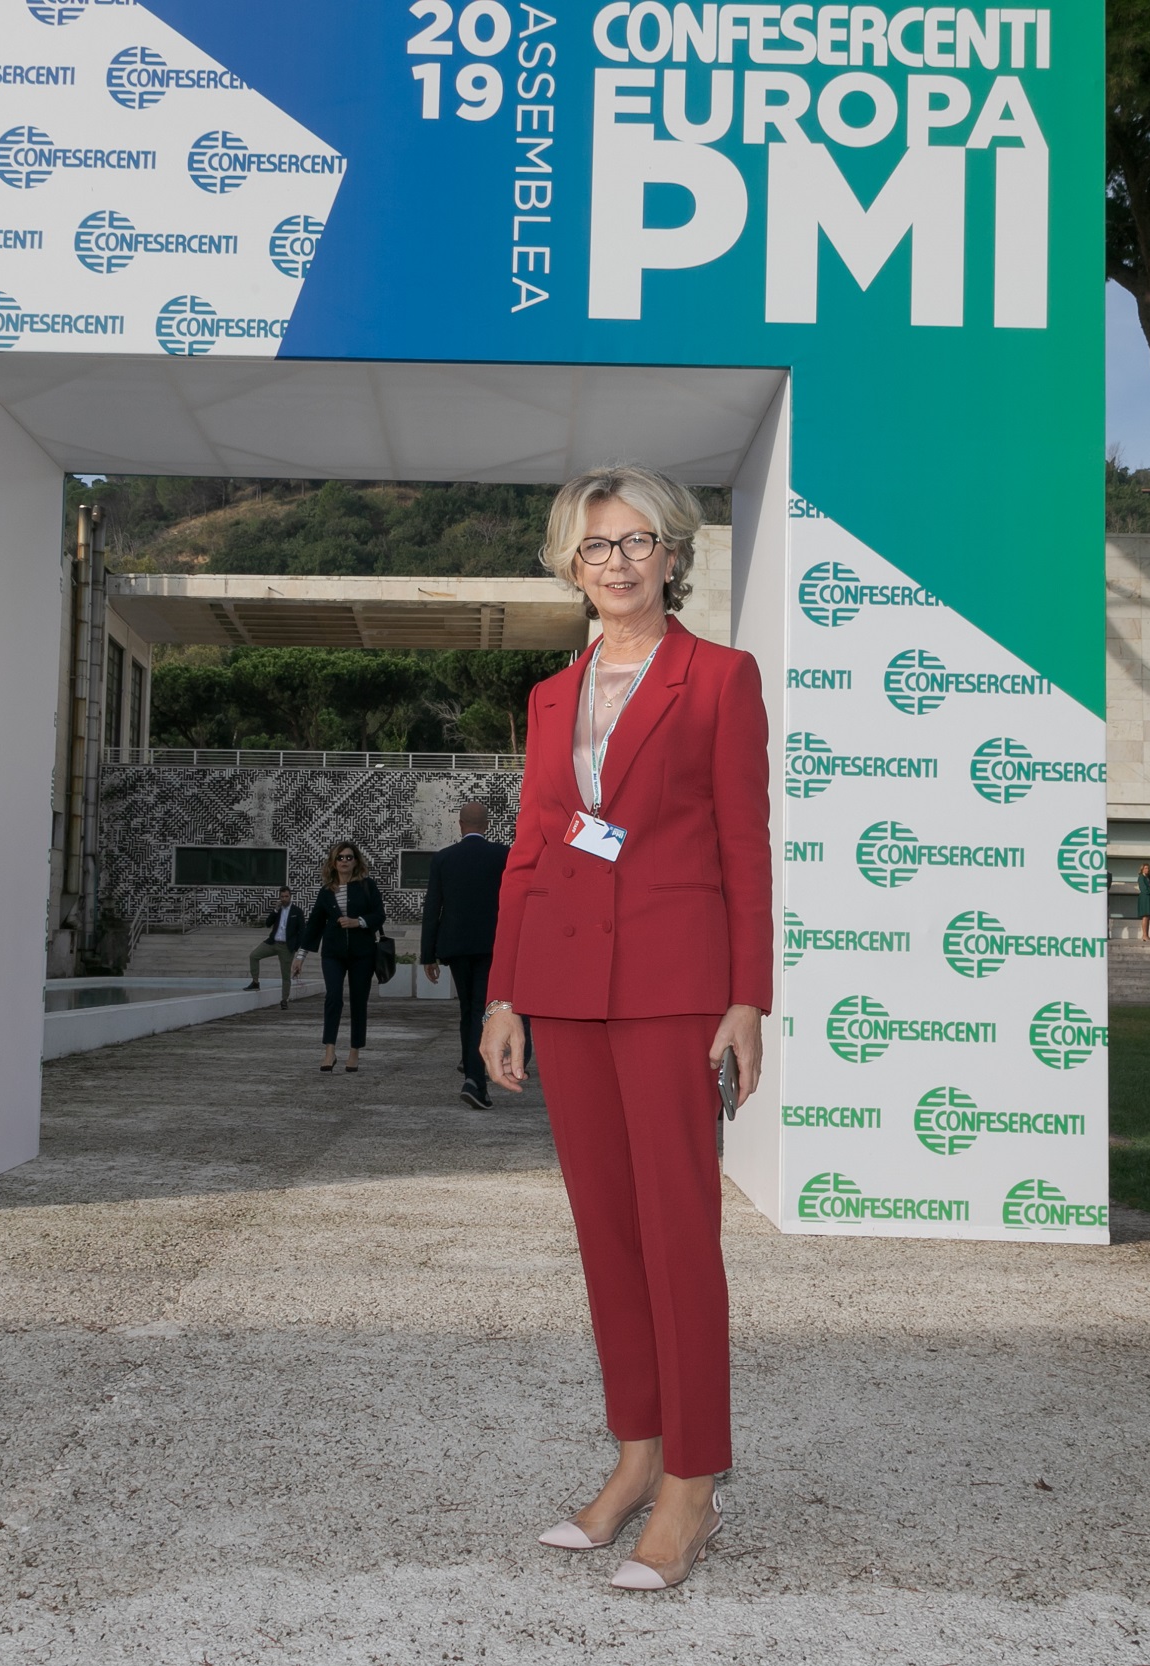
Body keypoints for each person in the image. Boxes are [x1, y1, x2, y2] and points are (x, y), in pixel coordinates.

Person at [479, 464, 771, 1593]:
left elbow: (743, 843)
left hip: (671, 987)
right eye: (595, 545)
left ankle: (693, 1483)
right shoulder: (552, 695)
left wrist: (746, 997)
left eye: (636, 540)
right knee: (606, 1234)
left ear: (672, 554)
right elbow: (531, 847)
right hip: (565, 988)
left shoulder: (720, 678)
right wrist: (505, 993)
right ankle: (637, 1455)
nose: (616, 561)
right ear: (570, 563)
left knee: (677, 1234)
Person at [420, 801, 508, 1108]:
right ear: (487, 825)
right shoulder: (503, 855)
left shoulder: (443, 858)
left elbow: (433, 907)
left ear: (460, 825)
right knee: (482, 1011)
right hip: (491, 946)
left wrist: (427, 954)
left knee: (468, 1010)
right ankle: (475, 1079)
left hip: (455, 946)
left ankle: (473, 1074)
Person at [293, 842, 382, 1072]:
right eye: (340, 857)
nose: (344, 861)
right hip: (333, 953)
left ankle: (354, 1051)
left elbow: (379, 915)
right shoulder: (326, 891)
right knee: (333, 997)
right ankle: (329, 1050)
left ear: (356, 861)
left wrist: (358, 922)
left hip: (362, 953)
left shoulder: (367, 886)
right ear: (333, 862)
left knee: (359, 1000)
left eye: (349, 857)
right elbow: (314, 924)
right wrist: (300, 955)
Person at [244, 886, 305, 1010]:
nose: (284, 899)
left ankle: (284, 1000)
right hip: (273, 942)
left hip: (287, 947)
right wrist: (275, 910)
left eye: (286, 896)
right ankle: (255, 982)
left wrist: (295, 947)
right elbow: (267, 924)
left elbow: (302, 931)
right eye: (282, 897)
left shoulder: (297, 911)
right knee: (254, 956)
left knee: (285, 975)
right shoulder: (278, 910)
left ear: (290, 896)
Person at [1137, 864, 1150, 940]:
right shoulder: (1141, 877)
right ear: (1142, 869)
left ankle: (1146, 935)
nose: (1147, 870)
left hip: (1149, 898)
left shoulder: (1148, 878)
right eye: (1145, 868)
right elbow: (1144, 889)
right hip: (1144, 898)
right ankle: (1144, 935)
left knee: (1148, 917)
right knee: (1145, 916)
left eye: (1148, 868)